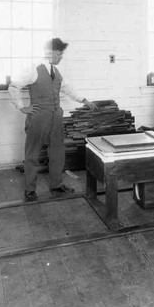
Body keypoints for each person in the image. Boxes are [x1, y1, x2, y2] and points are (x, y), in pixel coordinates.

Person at [9, 37, 98, 201]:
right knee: (32, 153)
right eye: (60, 54)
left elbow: (68, 88)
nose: (61, 57)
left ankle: (56, 186)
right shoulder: (33, 69)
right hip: (39, 118)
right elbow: (14, 86)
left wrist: (84, 100)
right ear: (51, 52)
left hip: (56, 117)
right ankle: (30, 190)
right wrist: (22, 107)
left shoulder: (57, 72)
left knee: (57, 152)